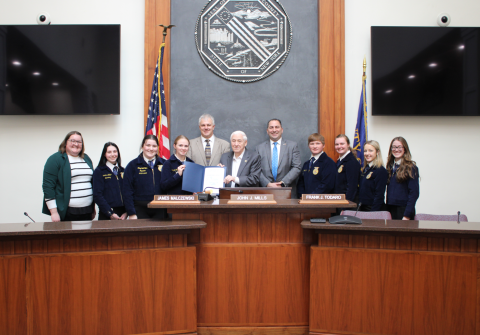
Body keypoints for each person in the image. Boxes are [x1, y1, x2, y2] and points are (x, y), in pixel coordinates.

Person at [42, 131, 95, 222]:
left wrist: (93, 208)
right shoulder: (55, 159)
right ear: (65, 143)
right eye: (72, 141)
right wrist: (54, 212)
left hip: (87, 210)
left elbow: (91, 183)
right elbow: (48, 187)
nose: (76, 144)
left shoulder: (86, 158)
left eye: (79, 142)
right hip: (67, 212)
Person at [123, 135, 166, 219]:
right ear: (142, 146)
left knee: (160, 232)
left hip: (160, 208)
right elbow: (127, 191)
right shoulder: (132, 166)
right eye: (148, 145)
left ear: (157, 148)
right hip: (139, 209)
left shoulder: (165, 164)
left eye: (154, 146)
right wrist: (131, 213)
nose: (151, 148)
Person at [256, 119, 302, 189]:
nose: (274, 130)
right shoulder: (259, 148)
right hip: (265, 191)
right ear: (267, 131)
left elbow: (297, 167)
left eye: (277, 127)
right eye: (271, 127)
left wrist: (283, 183)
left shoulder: (292, 146)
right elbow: (256, 169)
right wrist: (267, 184)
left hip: (287, 190)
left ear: (282, 130)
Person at [386, 137, 420, 220]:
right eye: (394, 147)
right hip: (390, 208)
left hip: (404, 210)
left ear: (405, 149)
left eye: (399, 147)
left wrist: (407, 215)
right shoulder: (390, 167)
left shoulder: (411, 167)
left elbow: (414, 193)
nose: (396, 149)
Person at [93, 142, 127, 220]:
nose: (112, 154)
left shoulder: (123, 171)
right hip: (107, 213)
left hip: (123, 215)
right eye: (109, 152)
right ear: (104, 154)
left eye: (115, 151)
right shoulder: (99, 171)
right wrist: (110, 213)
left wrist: (127, 212)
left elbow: (128, 192)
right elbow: (97, 195)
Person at [296, 133, 336, 198]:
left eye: (318, 143)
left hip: (321, 202)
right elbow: (301, 183)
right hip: (305, 202)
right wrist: (302, 196)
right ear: (309, 146)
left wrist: (312, 197)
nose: (315, 146)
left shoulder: (328, 163)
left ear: (323, 145)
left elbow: (327, 185)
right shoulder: (306, 164)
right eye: (312, 144)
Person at [358, 140, 388, 212]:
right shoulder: (366, 169)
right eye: (365, 151)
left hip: (373, 209)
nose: (367, 153)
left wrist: (373, 213)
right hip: (363, 207)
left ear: (377, 152)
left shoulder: (380, 170)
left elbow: (379, 195)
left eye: (370, 151)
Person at [334, 134, 361, 202]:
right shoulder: (340, 161)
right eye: (337, 144)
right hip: (339, 200)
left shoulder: (351, 162)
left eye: (342, 144)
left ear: (348, 144)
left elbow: (352, 186)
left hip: (347, 202)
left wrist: (346, 205)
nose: (339, 146)